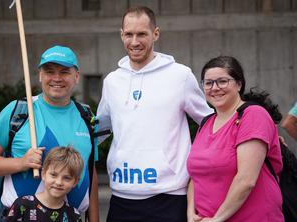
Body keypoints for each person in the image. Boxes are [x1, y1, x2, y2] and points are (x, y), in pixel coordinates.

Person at [96, 6, 213, 222]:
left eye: (142, 34)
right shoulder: (112, 81)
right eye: (129, 34)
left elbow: (211, 123)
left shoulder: (180, 75)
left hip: (169, 196)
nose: (134, 41)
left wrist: (242, 137)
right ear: (122, 35)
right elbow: (100, 130)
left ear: (155, 34)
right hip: (122, 195)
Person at [0, 45, 99, 222]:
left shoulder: (86, 116)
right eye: (49, 71)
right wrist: (21, 163)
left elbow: (90, 172)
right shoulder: (18, 111)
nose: (56, 78)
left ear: (76, 76)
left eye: (64, 72)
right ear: (40, 75)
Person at [187, 56, 284, 221]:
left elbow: (246, 180)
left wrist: (217, 219)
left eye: (222, 81)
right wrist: (191, 214)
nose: (215, 88)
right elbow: (195, 176)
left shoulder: (253, 115)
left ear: (239, 84)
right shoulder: (206, 122)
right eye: (208, 83)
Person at [6, 146, 84, 222]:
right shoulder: (22, 205)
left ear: (75, 182)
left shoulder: (74, 216)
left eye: (66, 178)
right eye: (53, 175)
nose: (59, 182)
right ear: (43, 174)